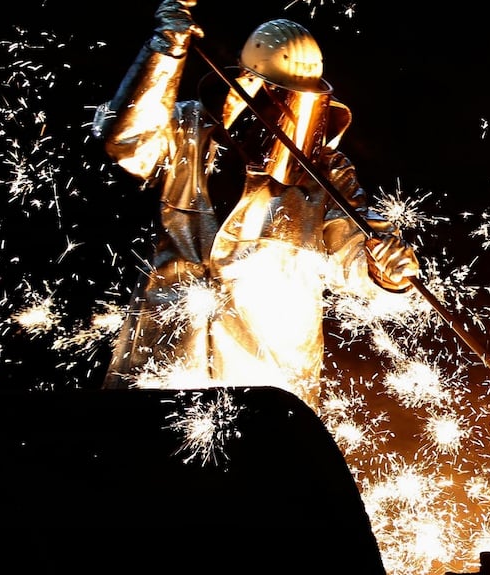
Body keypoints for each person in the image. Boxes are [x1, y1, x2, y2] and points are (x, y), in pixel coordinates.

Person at [91, 0, 420, 411]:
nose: (283, 109)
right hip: (162, 362)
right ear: (246, 84)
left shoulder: (325, 172)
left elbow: (353, 250)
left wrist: (384, 269)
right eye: (276, 95)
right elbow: (124, 140)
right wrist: (164, 50)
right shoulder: (190, 130)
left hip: (264, 380)